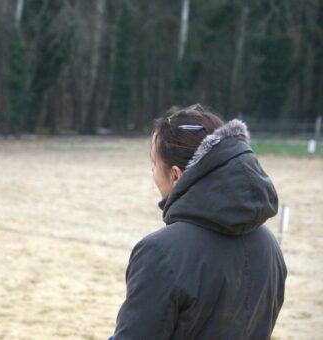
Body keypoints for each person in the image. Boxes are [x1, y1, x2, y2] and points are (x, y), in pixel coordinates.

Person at [111, 104, 286, 339]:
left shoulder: (160, 252)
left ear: (175, 175)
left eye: (153, 163)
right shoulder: (269, 244)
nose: (151, 171)